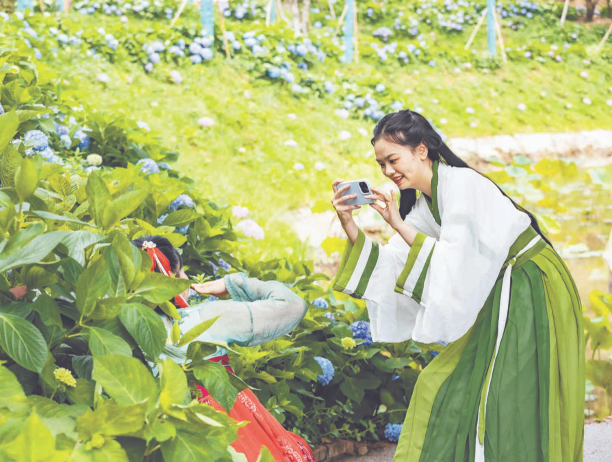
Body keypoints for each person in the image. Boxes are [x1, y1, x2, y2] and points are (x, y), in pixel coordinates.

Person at [330, 110, 583, 462]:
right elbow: (393, 265)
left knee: (509, 394)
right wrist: (348, 220)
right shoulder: (423, 205)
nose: (388, 171)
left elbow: (454, 260)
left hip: (530, 284)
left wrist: (398, 223)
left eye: (393, 159)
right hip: (501, 291)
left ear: (421, 150)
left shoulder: (461, 185)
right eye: (381, 164)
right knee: (444, 384)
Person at [131, 235, 316, 462]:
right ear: (172, 280)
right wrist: (233, 284)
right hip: (229, 430)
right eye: (181, 273)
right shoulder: (206, 320)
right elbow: (293, 306)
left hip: (163, 438)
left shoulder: (123, 331)